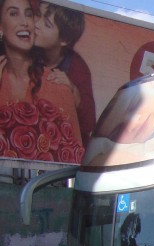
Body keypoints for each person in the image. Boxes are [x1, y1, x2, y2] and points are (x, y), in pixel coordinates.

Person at [0, 0, 82, 162]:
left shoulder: (57, 86)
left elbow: (75, 160)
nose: (24, 22)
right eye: (14, 13)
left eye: (29, 15)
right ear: (1, 27)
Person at [34, 1, 95, 146]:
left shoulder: (78, 68)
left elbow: (89, 125)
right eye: (38, 16)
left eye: (47, 24)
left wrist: (72, 91)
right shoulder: (26, 48)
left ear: (64, 40)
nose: (36, 24)